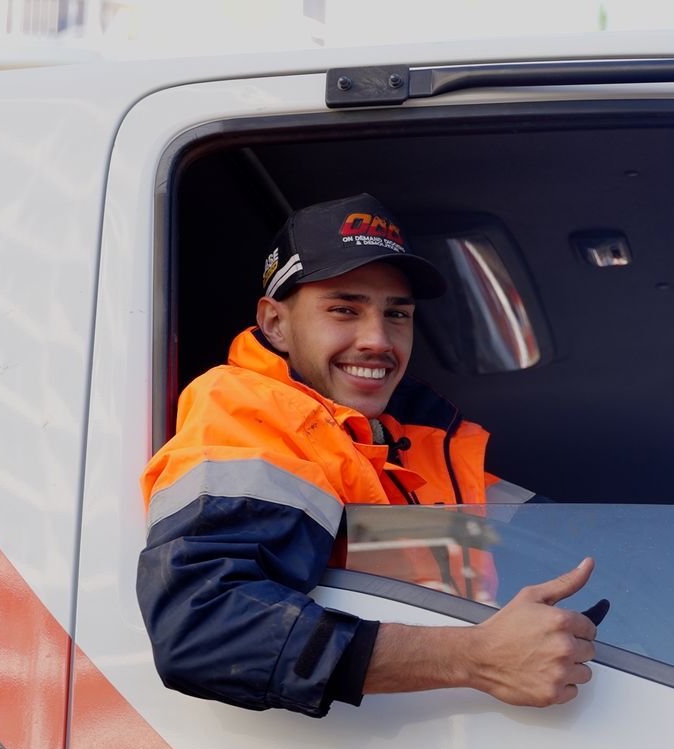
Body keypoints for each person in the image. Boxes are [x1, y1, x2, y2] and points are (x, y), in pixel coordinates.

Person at [138, 194, 597, 718]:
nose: (378, 339)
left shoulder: (421, 444)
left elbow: (576, 550)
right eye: (344, 309)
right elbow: (204, 626)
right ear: (275, 324)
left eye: (396, 314)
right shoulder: (248, 416)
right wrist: (475, 658)